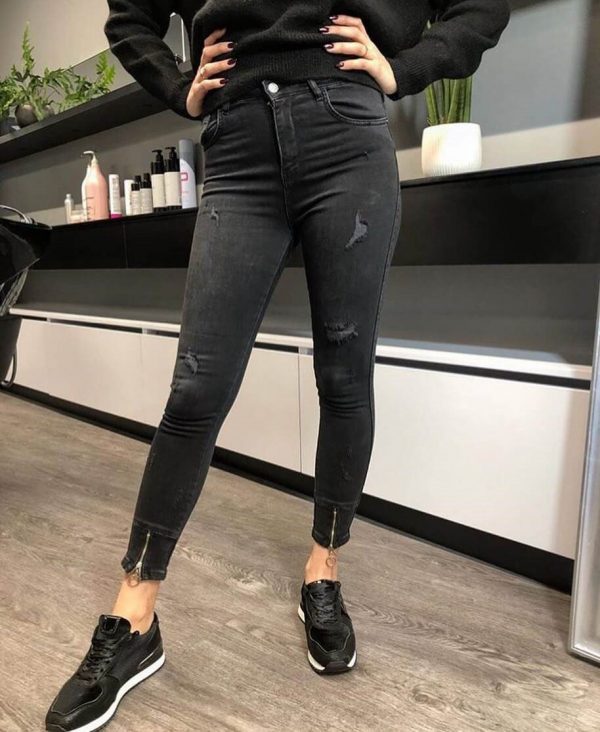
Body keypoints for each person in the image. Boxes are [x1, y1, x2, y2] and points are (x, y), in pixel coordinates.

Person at [45, 1, 510, 730]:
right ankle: (134, 616)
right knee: (196, 388)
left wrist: (407, 67)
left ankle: (323, 571)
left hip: (346, 132)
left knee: (345, 378)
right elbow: (129, 13)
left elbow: (482, 7)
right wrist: (177, 85)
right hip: (236, 146)